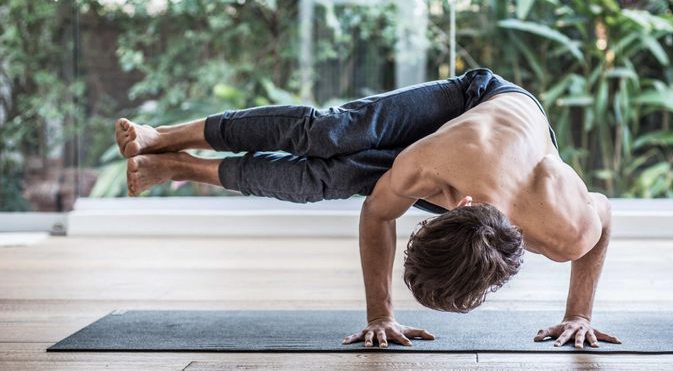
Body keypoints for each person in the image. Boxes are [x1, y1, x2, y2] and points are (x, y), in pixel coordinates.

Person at [115, 68, 620, 349]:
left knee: (326, 181)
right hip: (474, 102)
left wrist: (579, 314)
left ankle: (182, 168)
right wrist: (381, 313)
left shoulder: (565, 228)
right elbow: (378, 214)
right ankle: (166, 136)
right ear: (453, 206)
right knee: (330, 135)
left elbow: (605, 215)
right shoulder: (431, 163)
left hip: (504, 153)